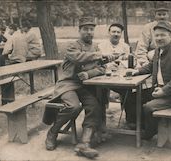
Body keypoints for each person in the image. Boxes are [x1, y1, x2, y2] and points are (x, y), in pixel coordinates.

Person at [42, 17, 117, 159]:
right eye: (85, 29)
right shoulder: (72, 46)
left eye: (91, 29)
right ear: (79, 31)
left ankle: (84, 144)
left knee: (95, 106)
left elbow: (101, 68)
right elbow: (79, 58)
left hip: (84, 86)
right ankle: (53, 132)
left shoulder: (95, 47)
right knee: (73, 107)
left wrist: (88, 73)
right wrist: (101, 55)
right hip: (67, 84)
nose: (89, 32)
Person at [131, 21, 171, 139]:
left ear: (170, 35)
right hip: (159, 89)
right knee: (134, 97)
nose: (159, 38)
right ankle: (138, 126)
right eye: (156, 35)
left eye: (163, 35)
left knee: (148, 107)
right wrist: (137, 71)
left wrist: (164, 90)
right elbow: (152, 66)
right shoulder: (158, 50)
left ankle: (150, 132)